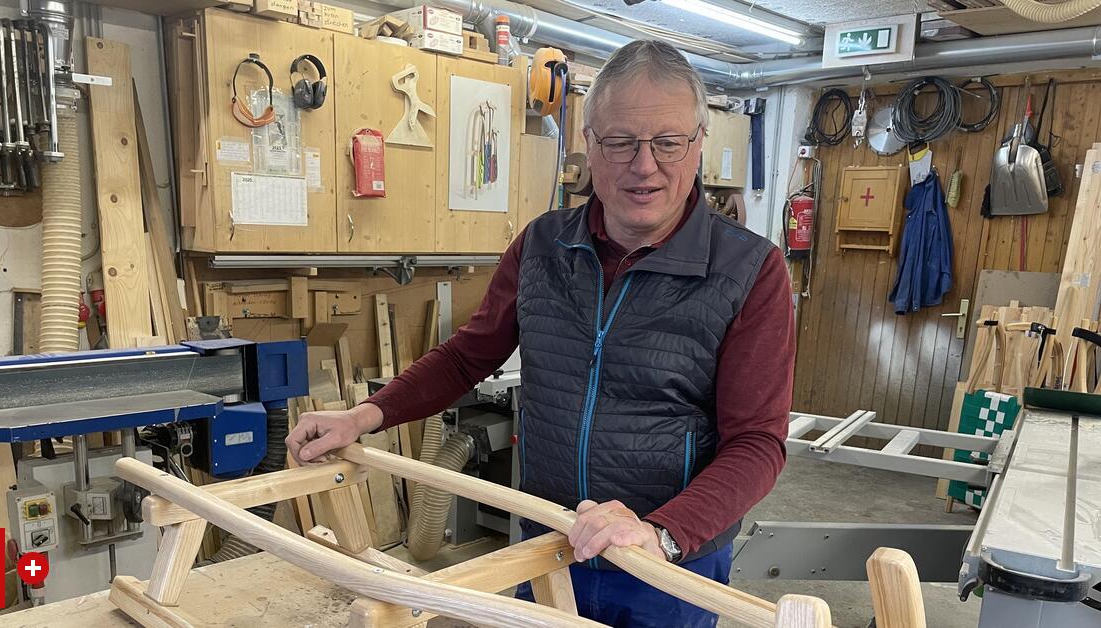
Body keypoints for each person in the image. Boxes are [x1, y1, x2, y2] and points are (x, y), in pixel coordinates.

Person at [286, 39, 795, 627]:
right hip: (550, 546)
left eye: (668, 142)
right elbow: (464, 359)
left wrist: (664, 534)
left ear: (698, 144)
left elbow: (757, 444)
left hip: (665, 567)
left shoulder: (749, 271)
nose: (645, 165)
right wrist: (363, 417)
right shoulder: (542, 246)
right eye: (621, 142)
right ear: (590, 144)